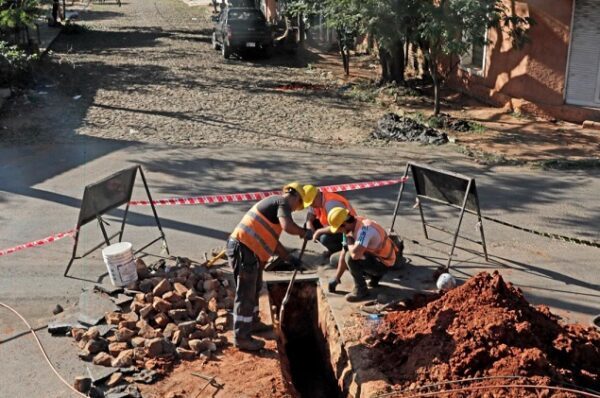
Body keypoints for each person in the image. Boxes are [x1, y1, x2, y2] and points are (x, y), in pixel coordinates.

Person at [226, 182, 314, 351]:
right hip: (244, 249)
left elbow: (273, 242)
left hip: (249, 252)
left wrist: (289, 258)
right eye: (299, 205)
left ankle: (252, 323)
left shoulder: (274, 207)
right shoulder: (281, 202)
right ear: (294, 195)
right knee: (246, 294)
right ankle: (242, 337)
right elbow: (288, 227)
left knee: (255, 288)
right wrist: (303, 233)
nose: (296, 209)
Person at [326, 207, 398, 302]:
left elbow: (355, 255)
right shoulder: (349, 228)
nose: (339, 232)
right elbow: (344, 251)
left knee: (350, 258)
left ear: (344, 224)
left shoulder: (365, 229)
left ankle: (361, 290)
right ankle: (373, 276)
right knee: (335, 259)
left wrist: (350, 242)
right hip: (373, 258)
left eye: (338, 229)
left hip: (384, 263)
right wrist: (336, 278)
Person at [303, 185, 356, 257]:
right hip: (333, 225)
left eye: (312, 203)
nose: (311, 205)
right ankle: (334, 249)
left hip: (348, 230)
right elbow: (310, 214)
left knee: (324, 238)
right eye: (309, 204)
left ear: (318, 195)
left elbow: (341, 227)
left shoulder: (331, 204)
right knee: (309, 225)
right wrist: (309, 224)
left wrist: (318, 232)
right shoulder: (316, 201)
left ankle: (340, 252)